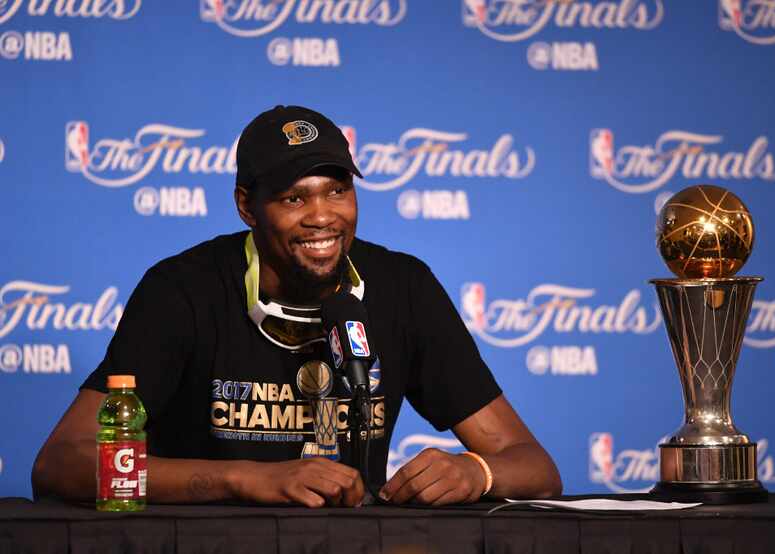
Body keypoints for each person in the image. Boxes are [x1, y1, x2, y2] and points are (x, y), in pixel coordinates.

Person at [31, 105, 562, 508]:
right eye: (293, 198)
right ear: (247, 207)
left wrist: (477, 473)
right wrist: (245, 478)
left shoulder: (403, 287)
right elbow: (60, 463)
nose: (322, 217)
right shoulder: (182, 289)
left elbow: (533, 465)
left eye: (337, 191)